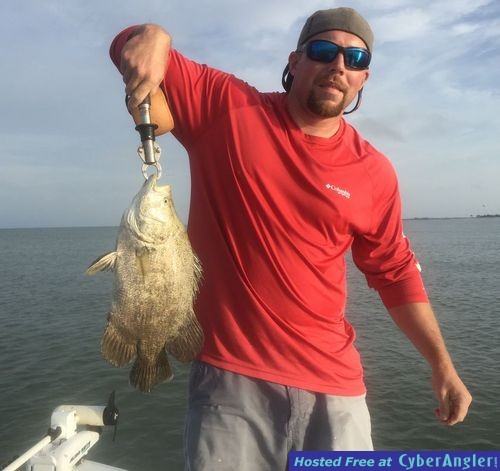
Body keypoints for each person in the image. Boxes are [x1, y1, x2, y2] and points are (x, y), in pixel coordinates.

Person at [110, 7, 472, 470]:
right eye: (324, 51)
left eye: (355, 58)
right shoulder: (228, 109)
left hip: (336, 387)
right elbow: (128, 44)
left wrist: (442, 365)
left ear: (364, 78)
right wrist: (151, 33)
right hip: (231, 380)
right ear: (295, 61)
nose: (338, 66)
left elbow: (394, 271)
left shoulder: (374, 170)